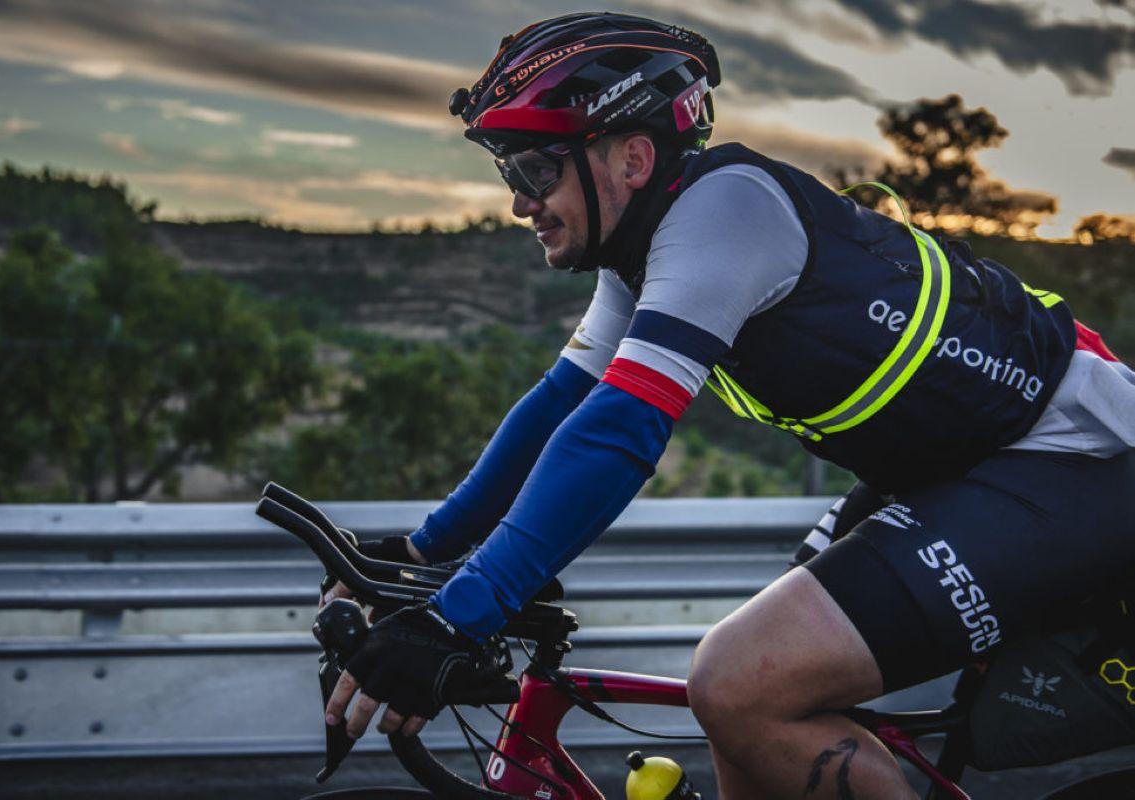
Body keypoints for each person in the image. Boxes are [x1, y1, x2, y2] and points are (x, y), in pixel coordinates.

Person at [324, 12, 1135, 798]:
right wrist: (424, 549)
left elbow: (616, 432)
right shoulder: (641, 254)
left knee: (741, 682)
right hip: (955, 470)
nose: (519, 203)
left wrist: (459, 616)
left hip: (1069, 457)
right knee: (739, 711)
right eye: (511, 175)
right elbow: (557, 409)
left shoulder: (727, 210)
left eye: (536, 172)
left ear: (632, 158)